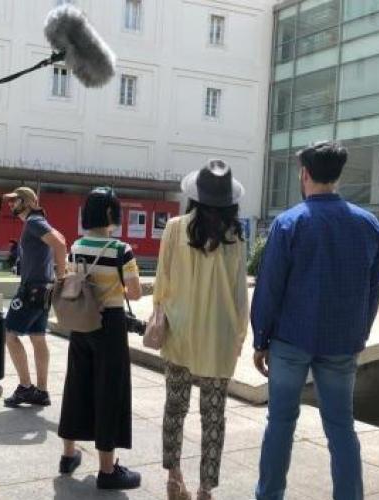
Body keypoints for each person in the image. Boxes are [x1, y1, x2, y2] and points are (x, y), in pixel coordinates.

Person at [251, 142, 379, 500]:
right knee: (341, 426)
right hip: (342, 343)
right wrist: (360, 333)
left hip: (290, 339)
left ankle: (269, 495)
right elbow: (374, 289)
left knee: (280, 422)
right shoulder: (369, 225)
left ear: (304, 174)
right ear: (337, 176)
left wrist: (261, 338)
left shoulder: (289, 223)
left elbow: (269, 287)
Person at [155, 160, 248, 500]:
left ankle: (173, 477)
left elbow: (162, 282)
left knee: (174, 407)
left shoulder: (175, 228)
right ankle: (205, 490)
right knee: (213, 416)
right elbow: (239, 294)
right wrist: (240, 335)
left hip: (180, 331)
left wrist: (161, 316)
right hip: (219, 337)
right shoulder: (235, 237)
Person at [57, 187, 143, 490]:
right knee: (109, 390)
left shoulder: (77, 246)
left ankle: (68, 455)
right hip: (110, 325)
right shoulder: (121, 250)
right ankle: (107, 470)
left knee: (76, 384)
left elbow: (73, 280)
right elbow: (135, 292)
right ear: (109, 213)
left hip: (81, 321)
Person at [2, 186, 67, 408]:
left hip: (32, 290)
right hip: (43, 290)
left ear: (28, 202)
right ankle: (41, 391)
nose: (11, 204)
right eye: (10, 201)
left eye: (15, 200)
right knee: (38, 337)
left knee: (9, 334)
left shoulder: (33, 222)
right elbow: (61, 237)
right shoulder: (39, 221)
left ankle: (25, 387)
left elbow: (60, 243)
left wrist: (61, 276)